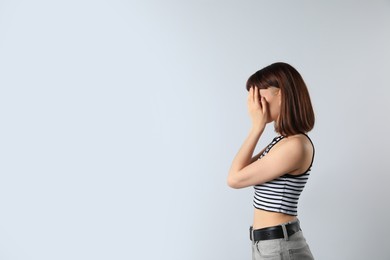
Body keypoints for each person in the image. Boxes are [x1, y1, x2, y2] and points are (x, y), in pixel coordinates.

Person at [227, 62, 315, 259]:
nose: (254, 103)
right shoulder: (282, 142)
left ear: (281, 94)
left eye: (259, 95)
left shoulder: (295, 146)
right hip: (269, 246)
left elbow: (234, 179)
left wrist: (257, 127)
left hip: (280, 247)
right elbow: (240, 170)